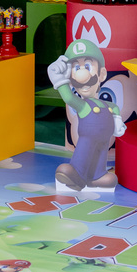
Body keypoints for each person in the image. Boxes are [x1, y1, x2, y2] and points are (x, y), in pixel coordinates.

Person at [48, 39, 126, 191]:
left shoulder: (109, 106)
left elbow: (115, 110)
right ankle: (77, 173)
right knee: (84, 150)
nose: (82, 75)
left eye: (88, 66)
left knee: (101, 155)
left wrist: (117, 121)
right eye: (77, 68)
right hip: (87, 138)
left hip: (104, 141)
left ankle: (97, 176)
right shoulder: (83, 105)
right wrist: (58, 78)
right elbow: (68, 98)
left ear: (101, 74)